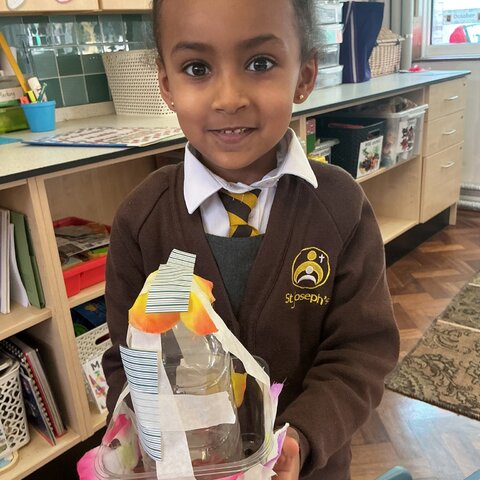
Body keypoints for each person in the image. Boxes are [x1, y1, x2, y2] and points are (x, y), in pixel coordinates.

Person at [102, 1, 400, 479]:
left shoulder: (340, 207)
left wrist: (302, 438)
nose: (229, 97)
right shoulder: (142, 220)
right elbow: (127, 359)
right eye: (197, 68)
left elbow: (360, 353)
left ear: (304, 76)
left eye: (260, 63)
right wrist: (140, 436)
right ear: (167, 85)